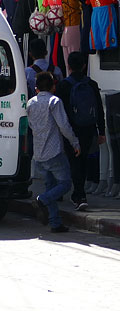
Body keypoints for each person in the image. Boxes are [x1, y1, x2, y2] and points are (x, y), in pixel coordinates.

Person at [27, 71, 81, 233]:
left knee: (50, 186)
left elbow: (30, 125)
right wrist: (75, 142)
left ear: (36, 88)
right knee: (65, 184)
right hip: (54, 151)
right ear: (53, 86)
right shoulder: (54, 101)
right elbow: (63, 125)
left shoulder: (30, 103)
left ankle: (55, 222)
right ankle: (42, 200)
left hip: (39, 153)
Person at [56, 51, 106, 211]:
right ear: (84, 65)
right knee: (83, 160)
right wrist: (102, 131)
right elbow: (99, 109)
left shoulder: (64, 85)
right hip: (88, 129)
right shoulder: (91, 84)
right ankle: (80, 192)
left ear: (68, 66)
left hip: (70, 130)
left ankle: (79, 194)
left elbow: (59, 111)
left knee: (73, 161)